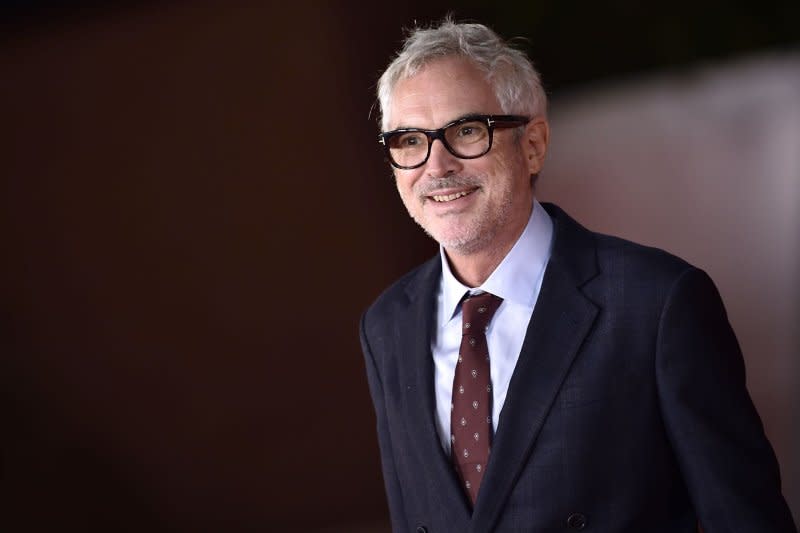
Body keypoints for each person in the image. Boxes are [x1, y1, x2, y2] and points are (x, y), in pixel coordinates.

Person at [359, 18, 797, 533]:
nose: (436, 166)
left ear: (533, 145)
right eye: (410, 140)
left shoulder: (657, 304)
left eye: (467, 130)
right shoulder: (386, 325)